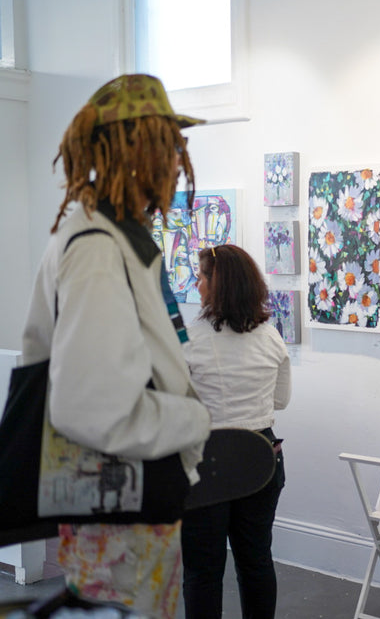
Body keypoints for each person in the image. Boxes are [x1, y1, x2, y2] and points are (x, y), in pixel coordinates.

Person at [20, 74, 212, 618]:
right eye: (169, 144)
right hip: (119, 522)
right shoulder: (98, 250)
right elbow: (92, 407)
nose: (178, 161)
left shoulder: (108, 236)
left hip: (127, 510)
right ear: (135, 150)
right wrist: (194, 420)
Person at [181, 244, 291, 619]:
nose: (197, 285)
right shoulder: (271, 337)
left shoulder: (188, 341)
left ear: (219, 285)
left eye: (201, 278)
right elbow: (281, 401)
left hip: (205, 464)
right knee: (256, 560)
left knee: (203, 570)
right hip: (260, 458)